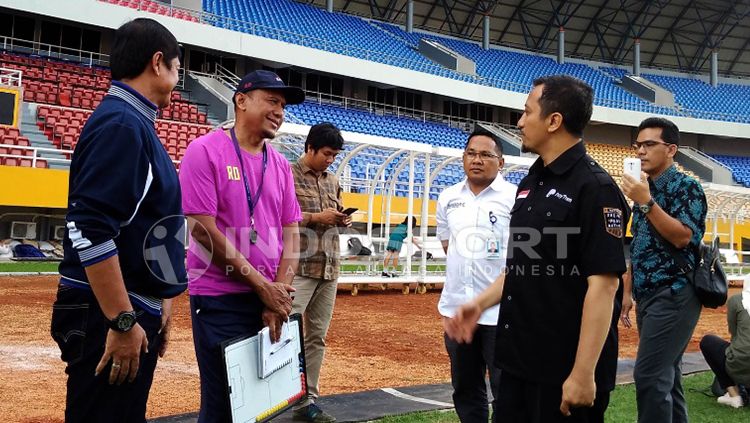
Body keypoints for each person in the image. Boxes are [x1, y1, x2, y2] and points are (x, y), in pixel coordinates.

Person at [447, 75, 629, 423]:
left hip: (562, 372)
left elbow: (604, 287)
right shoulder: (532, 180)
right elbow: (522, 264)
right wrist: (478, 304)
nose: (519, 122)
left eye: (526, 112)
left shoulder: (596, 188)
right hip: (518, 362)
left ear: (554, 121)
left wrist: (582, 373)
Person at [52, 18, 187, 422]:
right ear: (158, 62)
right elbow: (90, 228)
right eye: (178, 69)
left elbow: (148, 226)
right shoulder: (123, 125)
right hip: (108, 314)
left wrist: (159, 298)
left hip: (126, 306)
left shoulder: (134, 122)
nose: (178, 81)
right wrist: (123, 319)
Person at [179, 70, 305, 422]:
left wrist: (277, 295)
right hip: (220, 300)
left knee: (265, 405)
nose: (280, 111)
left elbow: (292, 232)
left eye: (283, 105)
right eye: (272, 100)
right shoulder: (204, 151)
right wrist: (264, 288)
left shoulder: (279, 164)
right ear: (241, 99)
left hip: (269, 299)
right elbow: (202, 231)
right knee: (224, 407)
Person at [621, 117, 707, 422]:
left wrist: (646, 203)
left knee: (649, 375)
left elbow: (684, 237)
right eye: (638, 145)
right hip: (648, 294)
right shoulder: (643, 190)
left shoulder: (687, 188)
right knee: (667, 375)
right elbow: (640, 246)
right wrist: (628, 291)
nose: (641, 151)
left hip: (675, 291)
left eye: (649, 144)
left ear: (671, 149)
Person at [435, 128, 516, 422]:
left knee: (505, 389)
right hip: (457, 308)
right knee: (465, 388)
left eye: (485, 154)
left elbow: (520, 257)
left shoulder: (515, 198)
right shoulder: (448, 198)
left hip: (500, 313)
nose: (477, 160)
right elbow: (449, 245)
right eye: (471, 153)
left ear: (501, 162)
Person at [290, 122, 350, 422]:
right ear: (310, 147)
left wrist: (340, 219)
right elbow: (277, 216)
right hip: (297, 268)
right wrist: (316, 217)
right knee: (284, 334)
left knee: (317, 337)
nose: (330, 159)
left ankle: (308, 400)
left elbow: (334, 211)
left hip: (328, 267)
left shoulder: (332, 180)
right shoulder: (287, 174)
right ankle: (277, 397)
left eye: (334, 155)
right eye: (326, 153)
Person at [700, 283, 750, 409]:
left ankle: (734, 396)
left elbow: (734, 333)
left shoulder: (737, 300)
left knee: (708, 341)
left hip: (741, 364)